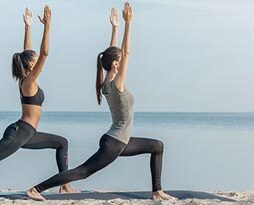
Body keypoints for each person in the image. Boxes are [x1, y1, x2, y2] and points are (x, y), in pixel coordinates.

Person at [26, 3, 176, 201]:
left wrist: (114, 28)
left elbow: (112, 54)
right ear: (116, 64)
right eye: (119, 60)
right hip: (114, 143)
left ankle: (157, 191)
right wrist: (128, 24)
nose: (123, 60)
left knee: (157, 145)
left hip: (119, 141)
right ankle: (36, 189)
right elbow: (125, 52)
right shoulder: (117, 84)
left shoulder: (106, 82)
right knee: (82, 172)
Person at [0, 5, 75, 194]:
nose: (37, 61)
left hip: (30, 134)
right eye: (34, 60)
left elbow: (27, 52)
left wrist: (28, 26)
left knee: (62, 142)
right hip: (19, 132)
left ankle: (64, 185)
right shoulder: (28, 82)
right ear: (32, 64)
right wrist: (48, 26)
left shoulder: (27, 79)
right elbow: (44, 54)